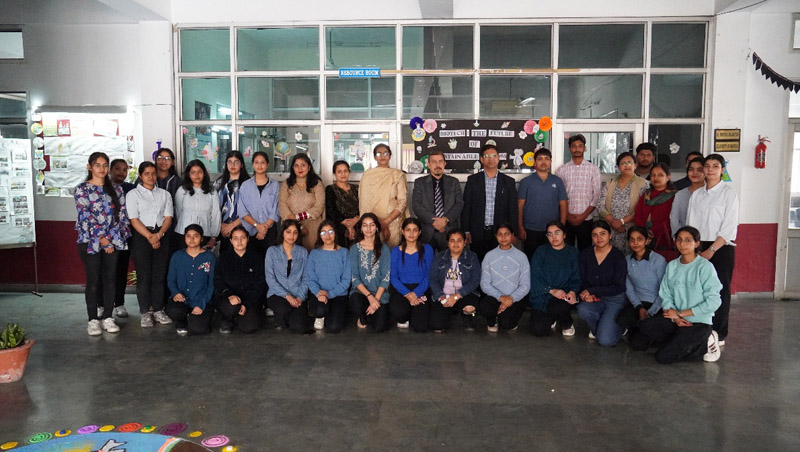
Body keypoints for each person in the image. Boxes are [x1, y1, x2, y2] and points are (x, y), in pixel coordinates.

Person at [630, 226, 723, 363]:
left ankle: (706, 342)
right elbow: (666, 294)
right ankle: (679, 342)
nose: (682, 244)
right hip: (675, 318)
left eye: (688, 240)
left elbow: (714, 301)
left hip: (698, 321)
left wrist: (680, 313)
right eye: (679, 240)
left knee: (663, 357)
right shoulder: (672, 265)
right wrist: (675, 317)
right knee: (641, 336)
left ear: (697, 243)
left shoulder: (705, 267)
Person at [74, 152, 131, 336]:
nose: (102, 168)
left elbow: (122, 216)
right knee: (93, 281)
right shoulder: (82, 189)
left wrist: (110, 238)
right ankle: (92, 320)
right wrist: (102, 238)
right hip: (90, 241)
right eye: (97, 165)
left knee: (110, 280)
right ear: (89, 167)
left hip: (113, 241)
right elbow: (85, 216)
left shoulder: (116, 189)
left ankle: (108, 317)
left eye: (105, 165)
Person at [685, 154, 739, 345]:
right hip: (698, 246)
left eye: (715, 166)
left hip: (721, 247)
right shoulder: (697, 194)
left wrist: (712, 250)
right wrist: (693, 248)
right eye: (707, 166)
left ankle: (719, 332)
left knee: (720, 290)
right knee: (698, 289)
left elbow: (729, 227)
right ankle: (700, 328)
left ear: (722, 170)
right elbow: (690, 224)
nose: (710, 169)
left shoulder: (729, 194)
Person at [126, 161, 174, 328]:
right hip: (141, 237)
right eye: (147, 173)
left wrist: (159, 235)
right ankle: (145, 312)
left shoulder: (165, 194)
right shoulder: (133, 195)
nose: (151, 177)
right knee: (144, 276)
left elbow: (168, 217)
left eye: (154, 173)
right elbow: (134, 219)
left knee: (159, 275)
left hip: (162, 235)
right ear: (140, 176)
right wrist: (150, 237)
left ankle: (159, 310)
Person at [462, 144, 519, 260]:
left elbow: (513, 209)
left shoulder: (508, 182)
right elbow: (467, 207)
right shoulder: (472, 180)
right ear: (481, 159)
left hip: (501, 233)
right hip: (477, 232)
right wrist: (466, 231)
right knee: (478, 262)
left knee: (499, 263)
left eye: (493, 156)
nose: (491, 159)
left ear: (498, 158)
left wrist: (513, 233)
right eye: (487, 156)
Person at [576, 220, 628, 346]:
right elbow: (582, 279)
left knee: (606, 341)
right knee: (583, 309)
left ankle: (618, 327)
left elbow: (619, 287)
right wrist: (586, 294)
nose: (599, 238)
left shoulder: (618, 256)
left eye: (602, 233)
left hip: (614, 299)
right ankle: (603, 327)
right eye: (595, 235)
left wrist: (591, 291)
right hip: (595, 297)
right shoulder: (585, 254)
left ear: (610, 235)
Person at [528, 221, 581, 337]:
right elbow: (535, 276)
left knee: (559, 307)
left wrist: (572, 292)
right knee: (538, 330)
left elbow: (577, 277)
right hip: (543, 294)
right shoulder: (541, 251)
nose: (554, 237)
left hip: (563, 295)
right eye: (550, 234)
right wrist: (551, 290)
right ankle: (551, 318)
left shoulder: (573, 252)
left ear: (564, 235)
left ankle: (567, 323)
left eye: (557, 233)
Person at [479, 223, 530, 332]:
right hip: (495, 297)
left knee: (507, 324)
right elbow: (484, 284)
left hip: (515, 298)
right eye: (500, 234)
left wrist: (510, 299)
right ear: (496, 236)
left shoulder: (521, 257)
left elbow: (525, 285)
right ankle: (492, 320)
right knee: (485, 307)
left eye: (507, 234)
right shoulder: (489, 256)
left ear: (512, 235)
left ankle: (503, 317)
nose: (503, 237)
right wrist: (500, 297)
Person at [165, 224, 216, 335]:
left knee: (199, 329)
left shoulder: (210, 257)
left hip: (201, 299)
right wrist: (176, 293)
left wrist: (202, 303)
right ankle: (181, 320)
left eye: (195, 236)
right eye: (188, 236)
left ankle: (195, 318)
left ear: (201, 238)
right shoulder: (177, 256)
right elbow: (171, 280)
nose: (191, 239)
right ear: (184, 238)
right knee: (174, 310)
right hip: (182, 299)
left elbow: (212, 284)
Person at [214, 225, 265, 334]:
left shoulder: (255, 258)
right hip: (228, 299)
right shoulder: (223, 257)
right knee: (230, 308)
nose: (239, 242)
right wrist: (229, 294)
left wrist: (246, 303)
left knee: (249, 327)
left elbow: (260, 283)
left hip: (249, 299)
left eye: (243, 238)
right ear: (231, 241)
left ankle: (239, 317)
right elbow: (218, 280)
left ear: (248, 239)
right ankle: (227, 319)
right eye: (235, 238)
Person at [517, 148, 568, 258]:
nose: (543, 162)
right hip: (530, 230)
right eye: (540, 159)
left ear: (550, 161)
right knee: (531, 259)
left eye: (546, 159)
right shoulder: (526, 182)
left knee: (552, 260)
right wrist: (520, 227)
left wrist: (562, 227)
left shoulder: (558, 181)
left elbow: (563, 204)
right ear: (535, 162)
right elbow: (520, 206)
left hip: (553, 231)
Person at [616, 226, 667, 335]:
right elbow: (629, 287)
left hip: (657, 304)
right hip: (637, 303)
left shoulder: (658, 260)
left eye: (639, 239)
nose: (635, 243)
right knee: (621, 321)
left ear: (647, 240)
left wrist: (651, 312)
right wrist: (639, 307)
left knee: (641, 337)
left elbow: (665, 290)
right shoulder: (627, 260)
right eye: (632, 239)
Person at [428, 229, 480, 332]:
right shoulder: (439, 257)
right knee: (437, 327)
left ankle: (467, 315)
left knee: (469, 308)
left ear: (464, 242)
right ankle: (450, 311)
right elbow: (433, 279)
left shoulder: (472, 257)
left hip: (464, 294)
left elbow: (475, 280)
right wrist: (441, 296)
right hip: (444, 295)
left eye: (459, 240)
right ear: (448, 243)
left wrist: (456, 296)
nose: (456, 244)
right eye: (452, 241)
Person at [556, 134, 601, 251]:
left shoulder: (593, 169)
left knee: (586, 251)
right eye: (574, 146)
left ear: (585, 148)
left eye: (580, 146)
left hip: (586, 219)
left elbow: (597, 195)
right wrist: (567, 215)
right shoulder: (562, 170)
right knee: (567, 250)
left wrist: (583, 216)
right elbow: (558, 196)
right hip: (567, 219)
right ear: (569, 148)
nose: (577, 149)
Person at [411, 150, 464, 251]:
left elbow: (459, 204)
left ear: (444, 163)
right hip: (427, 230)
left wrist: (445, 220)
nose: (437, 165)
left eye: (440, 161)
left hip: (449, 231)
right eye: (434, 162)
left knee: (449, 260)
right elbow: (416, 205)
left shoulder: (454, 182)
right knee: (426, 259)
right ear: (428, 165)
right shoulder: (420, 183)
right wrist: (435, 221)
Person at [597, 152, 648, 252]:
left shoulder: (643, 184)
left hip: (631, 229)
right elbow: (600, 205)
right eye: (623, 163)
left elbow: (642, 208)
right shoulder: (610, 183)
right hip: (610, 228)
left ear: (635, 165)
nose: (626, 165)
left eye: (629, 162)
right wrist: (613, 222)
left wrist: (622, 222)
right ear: (618, 167)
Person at [265, 219, 310, 333]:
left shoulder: (303, 252)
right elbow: (270, 279)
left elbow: (306, 278)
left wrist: (299, 297)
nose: (292, 236)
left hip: (297, 294)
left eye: (295, 232)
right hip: (277, 294)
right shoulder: (272, 251)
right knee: (283, 308)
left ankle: (288, 316)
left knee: (298, 327)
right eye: (288, 232)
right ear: (282, 233)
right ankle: (280, 315)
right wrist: (287, 296)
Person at [359, 144, 408, 247]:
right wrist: (378, 222)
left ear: (390, 156)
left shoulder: (397, 175)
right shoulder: (367, 175)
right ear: (374, 157)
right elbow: (364, 202)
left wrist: (387, 221)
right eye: (379, 154)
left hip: (393, 222)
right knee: (373, 250)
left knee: (391, 251)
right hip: (372, 224)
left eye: (385, 153)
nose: (382, 156)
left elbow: (402, 201)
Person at [349, 213, 392, 332]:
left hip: (379, 294)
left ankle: (372, 312)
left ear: (377, 228)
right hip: (361, 293)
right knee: (357, 304)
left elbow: (386, 277)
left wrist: (375, 299)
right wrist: (370, 297)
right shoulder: (354, 249)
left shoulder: (384, 249)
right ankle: (362, 316)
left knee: (379, 328)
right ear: (361, 229)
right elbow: (354, 277)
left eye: (372, 225)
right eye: (365, 225)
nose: (368, 228)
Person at [389, 218, 434, 332]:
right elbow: (393, 277)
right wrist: (408, 294)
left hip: (421, 288)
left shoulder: (427, 249)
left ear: (419, 232)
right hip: (401, 289)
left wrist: (416, 293)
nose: (411, 233)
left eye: (415, 230)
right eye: (408, 230)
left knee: (420, 327)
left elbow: (429, 275)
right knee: (399, 312)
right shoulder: (396, 251)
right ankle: (406, 313)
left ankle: (414, 310)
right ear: (402, 231)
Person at [306, 220, 351, 333]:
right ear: (319, 235)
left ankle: (332, 313)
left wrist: (329, 294)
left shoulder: (344, 253)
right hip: (318, 294)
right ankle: (320, 316)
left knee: (334, 327)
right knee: (320, 310)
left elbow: (346, 280)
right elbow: (310, 278)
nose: (327, 235)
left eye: (330, 231)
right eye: (323, 232)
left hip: (338, 295)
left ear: (335, 233)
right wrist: (319, 293)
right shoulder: (314, 253)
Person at [279, 153, 325, 251]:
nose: (300, 168)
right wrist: (299, 225)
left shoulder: (317, 184)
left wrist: (298, 217)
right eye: (296, 165)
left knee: (313, 255)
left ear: (309, 167)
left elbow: (319, 206)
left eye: (303, 165)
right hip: (291, 230)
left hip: (312, 228)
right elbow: (282, 205)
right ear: (292, 168)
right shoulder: (286, 184)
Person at [238, 151, 280, 260]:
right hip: (250, 232)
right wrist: (257, 226)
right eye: (256, 162)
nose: (259, 165)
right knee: (251, 263)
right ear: (252, 164)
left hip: (270, 233)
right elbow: (242, 211)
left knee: (269, 262)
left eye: (263, 162)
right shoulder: (245, 186)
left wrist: (264, 228)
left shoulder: (275, 185)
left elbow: (276, 210)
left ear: (267, 164)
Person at [634, 162, 677, 261]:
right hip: (645, 237)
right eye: (653, 175)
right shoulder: (646, 195)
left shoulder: (673, 196)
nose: (656, 178)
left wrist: (655, 231)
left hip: (665, 237)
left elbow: (673, 219)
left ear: (668, 177)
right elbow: (638, 215)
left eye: (660, 175)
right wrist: (644, 231)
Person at [109, 158, 135, 319]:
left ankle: (119, 303)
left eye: (125, 170)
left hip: (125, 235)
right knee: (105, 272)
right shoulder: (103, 187)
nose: (121, 172)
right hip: (106, 236)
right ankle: (101, 304)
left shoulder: (131, 189)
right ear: (110, 170)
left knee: (121, 270)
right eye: (118, 169)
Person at [174, 159, 220, 250]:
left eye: (200, 172)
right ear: (188, 174)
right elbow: (178, 212)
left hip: (205, 233)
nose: (197, 175)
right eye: (193, 172)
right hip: (184, 233)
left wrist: (213, 236)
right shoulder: (182, 190)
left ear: (204, 173)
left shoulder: (212, 192)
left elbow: (215, 214)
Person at [214, 151, 250, 252]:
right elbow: (213, 206)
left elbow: (251, 209)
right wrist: (221, 225)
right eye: (229, 162)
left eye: (236, 162)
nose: (232, 165)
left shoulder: (248, 183)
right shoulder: (219, 182)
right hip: (222, 229)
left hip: (242, 228)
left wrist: (232, 225)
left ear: (242, 164)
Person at [325, 160, 360, 247]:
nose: (343, 174)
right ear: (334, 174)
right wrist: (348, 226)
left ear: (349, 172)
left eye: (345, 171)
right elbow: (331, 211)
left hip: (358, 225)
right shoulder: (330, 189)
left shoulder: (357, 188)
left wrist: (355, 221)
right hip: (338, 227)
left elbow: (363, 207)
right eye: (339, 172)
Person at [670, 157, 705, 234]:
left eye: (700, 170)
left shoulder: (709, 193)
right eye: (691, 169)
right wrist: (679, 237)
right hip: (683, 238)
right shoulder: (680, 194)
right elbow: (674, 219)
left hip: (707, 237)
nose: (694, 173)